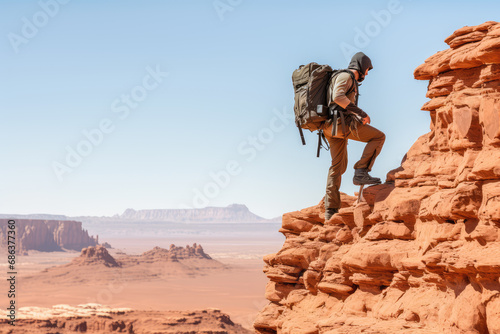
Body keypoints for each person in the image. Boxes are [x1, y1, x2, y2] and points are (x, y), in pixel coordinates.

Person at [323, 52, 385, 221]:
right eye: (367, 69)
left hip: (331, 127)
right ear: (361, 66)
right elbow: (337, 97)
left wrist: (356, 116)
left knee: (337, 168)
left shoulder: (342, 77)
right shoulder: (346, 76)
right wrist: (361, 113)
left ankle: (330, 211)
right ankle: (361, 171)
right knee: (378, 137)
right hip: (340, 126)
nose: (367, 73)